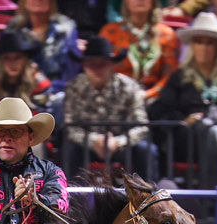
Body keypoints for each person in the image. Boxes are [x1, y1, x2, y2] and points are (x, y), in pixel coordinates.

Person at [148, 12, 217, 189]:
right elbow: (158, 111)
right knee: (208, 128)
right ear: (192, 46)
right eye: (199, 42)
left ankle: (212, 205)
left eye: (210, 43)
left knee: (215, 134)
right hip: (188, 140)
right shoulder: (179, 78)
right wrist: (183, 121)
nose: (204, 48)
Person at [63, 37, 159, 180]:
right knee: (68, 150)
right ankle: (70, 197)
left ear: (112, 65)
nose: (97, 69)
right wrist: (94, 141)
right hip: (86, 144)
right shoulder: (73, 87)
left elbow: (141, 126)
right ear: (83, 65)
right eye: (91, 64)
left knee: (146, 150)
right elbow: (69, 127)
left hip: (121, 144)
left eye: (102, 64)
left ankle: (147, 197)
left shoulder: (129, 87)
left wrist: (118, 142)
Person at [99, 0, 179, 103]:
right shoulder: (110, 32)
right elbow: (101, 70)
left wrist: (148, 95)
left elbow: (170, 75)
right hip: (115, 97)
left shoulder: (167, 35)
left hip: (155, 100)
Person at [0, 31, 52, 119]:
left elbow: (42, 117)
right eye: (7, 58)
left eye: (18, 57)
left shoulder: (39, 83)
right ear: (0, 62)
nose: (12, 63)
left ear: (25, 60)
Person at [5, 0, 80, 91]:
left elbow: (70, 71)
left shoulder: (65, 29)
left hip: (56, 91)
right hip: (19, 90)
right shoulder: (14, 27)